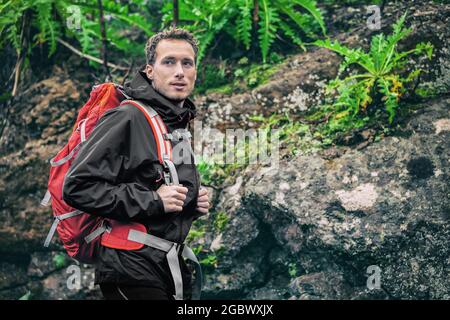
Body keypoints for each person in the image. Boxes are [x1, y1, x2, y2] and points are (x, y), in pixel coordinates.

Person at [62, 28, 210, 300]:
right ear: (150, 71)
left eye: (187, 63)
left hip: (166, 264)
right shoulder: (127, 117)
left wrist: (191, 204)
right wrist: (154, 200)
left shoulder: (175, 122)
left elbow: (156, 185)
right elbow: (77, 187)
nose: (179, 71)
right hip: (130, 265)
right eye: (169, 62)